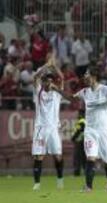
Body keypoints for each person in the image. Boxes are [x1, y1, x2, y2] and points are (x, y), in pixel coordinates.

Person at [51, 65, 107, 192]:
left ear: (94, 76)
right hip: (90, 131)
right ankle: (88, 187)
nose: (84, 76)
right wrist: (56, 89)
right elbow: (71, 98)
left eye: (87, 74)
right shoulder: (85, 92)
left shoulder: (105, 89)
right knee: (90, 158)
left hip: (105, 130)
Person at [31, 56, 64, 191]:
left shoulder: (56, 93)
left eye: (51, 80)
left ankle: (60, 180)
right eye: (46, 80)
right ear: (43, 82)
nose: (49, 83)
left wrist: (54, 66)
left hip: (54, 128)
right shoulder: (38, 92)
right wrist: (46, 65)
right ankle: (37, 184)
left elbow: (62, 78)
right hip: (40, 128)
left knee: (57, 156)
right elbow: (35, 78)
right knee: (39, 156)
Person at [72, 109, 86, 176]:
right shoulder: (85, 121)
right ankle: (86, 171)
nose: (78, 115)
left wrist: (73, 138)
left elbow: (79, 131)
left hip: (80, 141)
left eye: (79, 114)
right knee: (84, 157)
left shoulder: (81, 121)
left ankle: (77, 172)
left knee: (77, 157)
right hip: (83, 141)